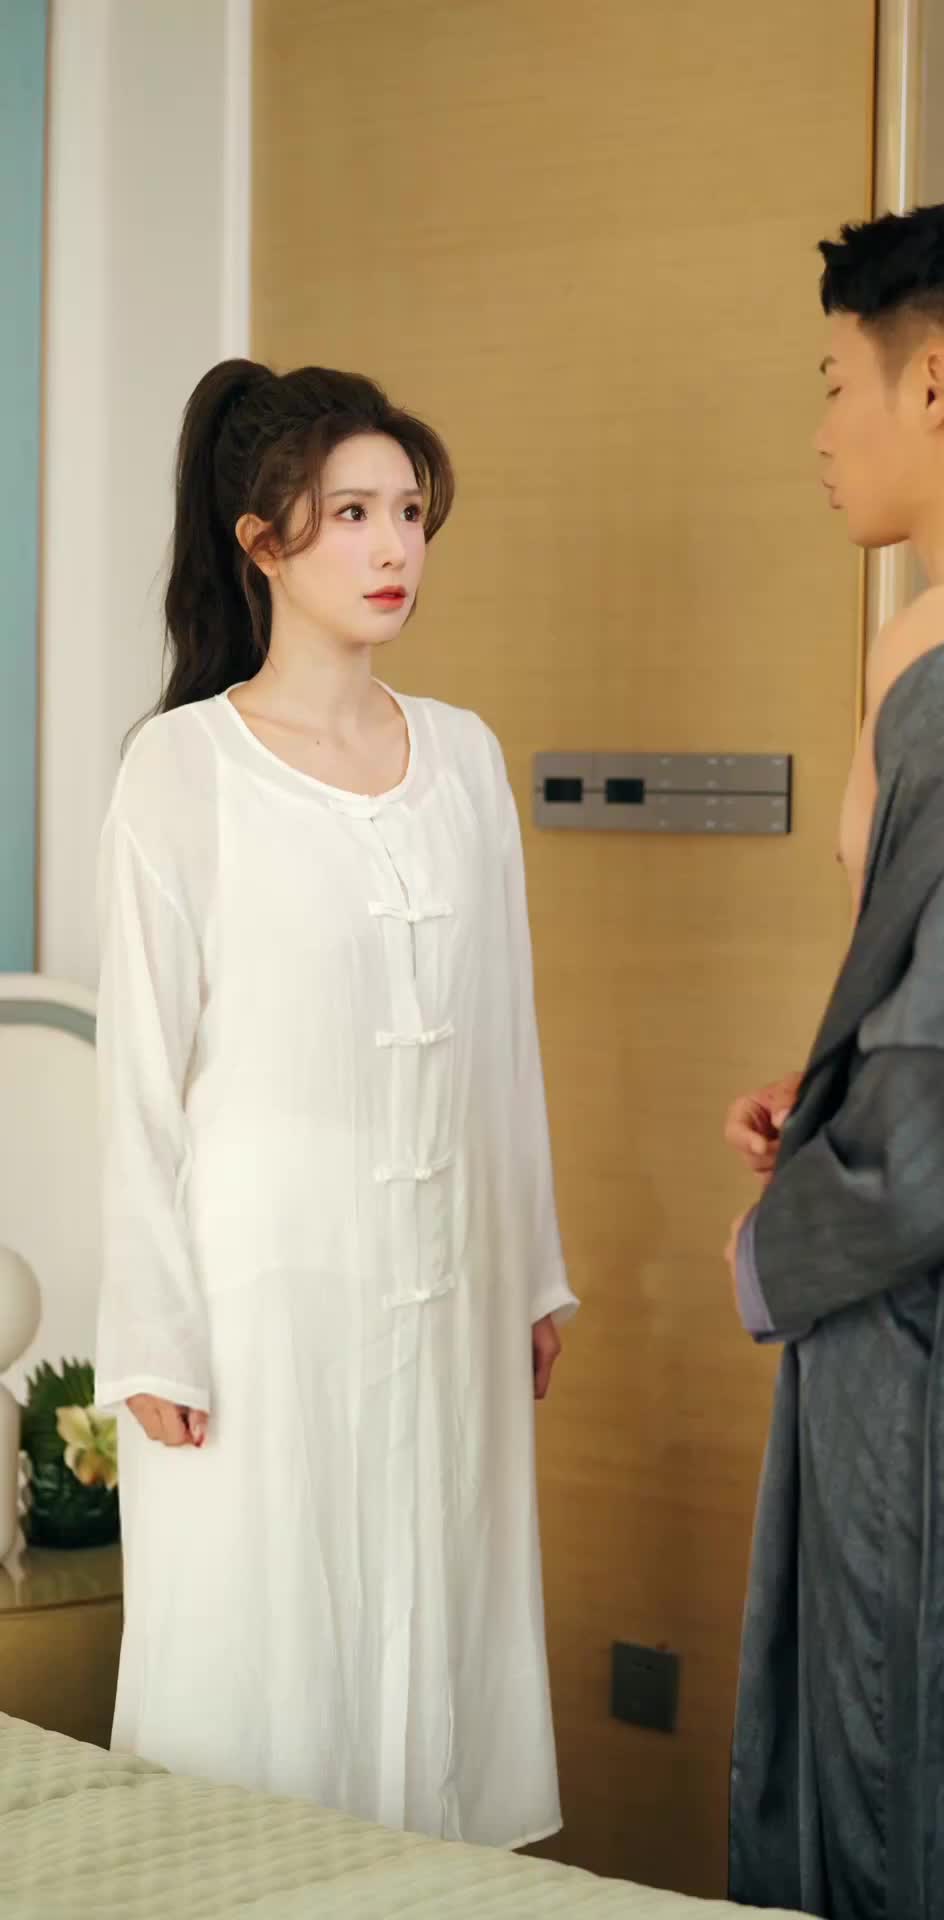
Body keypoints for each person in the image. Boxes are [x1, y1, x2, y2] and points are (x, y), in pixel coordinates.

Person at [94, 359, 577, 1848]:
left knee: (434, 1632)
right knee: (262, 1658)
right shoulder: (182, 767)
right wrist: (154, 1327)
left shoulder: (467, 758)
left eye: (410, 513)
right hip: (255, 1305)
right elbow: (139, 1075)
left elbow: (505, 1040)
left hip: (444, 1287)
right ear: (263, 542)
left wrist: (533, 1269)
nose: (392, 548)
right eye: (351, 513)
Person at [723, 202, 944, 1919]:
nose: (820, 430)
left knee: (931, 1822)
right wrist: (834, 1097)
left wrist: (778, 1241)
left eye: (833, 383)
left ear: (934, 382)